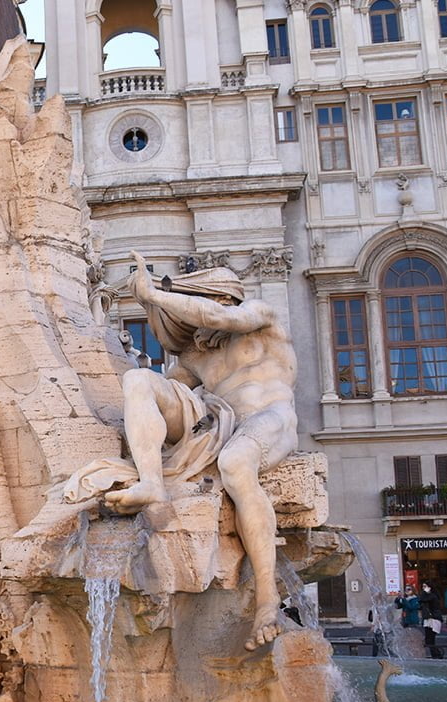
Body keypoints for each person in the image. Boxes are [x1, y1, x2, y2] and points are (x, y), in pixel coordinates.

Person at [92, 256, 298, 652]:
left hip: (270, 418)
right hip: (221, 422)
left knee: (236, 463)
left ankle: (267, 597)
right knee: (138, 380)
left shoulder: (258, 316)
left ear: (220, 297)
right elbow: (160, 397)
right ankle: (152, 484)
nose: (195, 321)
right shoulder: (193, 358)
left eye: (196, 304)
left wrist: (152, 294)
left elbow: (223, 319)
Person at [418, 583, 444, 658]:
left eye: (425, 586)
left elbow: (422, 599)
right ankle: (436, 654)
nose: (423, 588)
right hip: (428, 619)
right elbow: (421, 601)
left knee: (430, 640)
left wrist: (424, 592)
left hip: (434, 619)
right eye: (423, 586)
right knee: (428, 640)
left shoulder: (432, 596)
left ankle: (437, 654)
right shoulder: (427, 596)